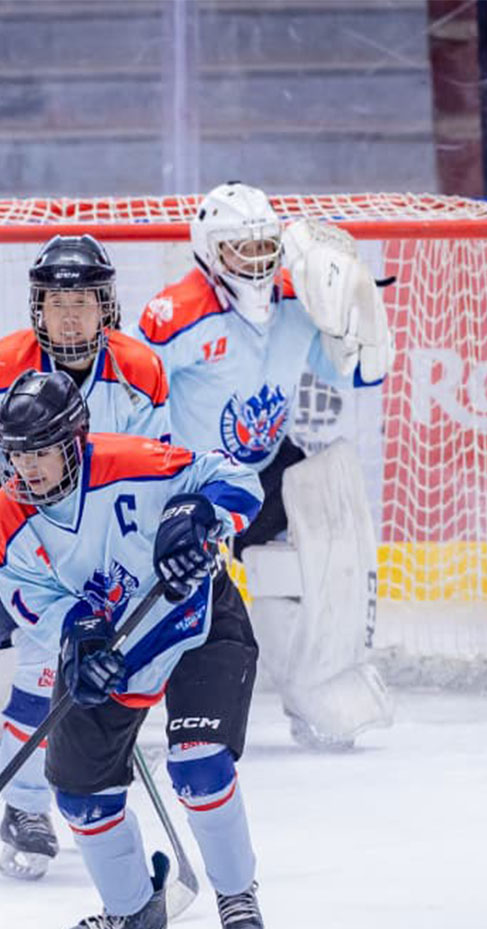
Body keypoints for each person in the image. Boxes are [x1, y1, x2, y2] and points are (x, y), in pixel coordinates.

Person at [0, 234, 171, 881]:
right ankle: (24, 807)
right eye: (57, 301)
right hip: (17, 535)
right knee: (43, 660)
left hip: (104, 540)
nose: (71, 315)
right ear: (37, 307)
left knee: (108, 664)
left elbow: (157, 471)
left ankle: (88, 779)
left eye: (83, 300)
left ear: (106, 304)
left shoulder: (142, 370)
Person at [0, 369, 267, 929]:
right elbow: (29, 597)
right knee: (80, 791)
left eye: (40, 453)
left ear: (75, 442)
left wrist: (199, 515)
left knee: (199, 765)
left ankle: (236, 890)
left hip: (197, 622)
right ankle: (134, 908)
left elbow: (238, 480)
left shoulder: (136, 462)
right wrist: (74, 635)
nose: (27, 469)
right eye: (16, 456)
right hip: (113, 652)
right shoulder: (8, 516)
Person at [137, 181, 396, 749]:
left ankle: (313, 689)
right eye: (240, 249)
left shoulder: (296, 303)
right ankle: (111, 706)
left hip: (263, 467)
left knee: (321, 519)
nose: (255, 262)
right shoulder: (174, 316)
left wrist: (359, 315)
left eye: (264, 247)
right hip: (192, 482)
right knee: (162, 598)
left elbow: (358, 376)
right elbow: (130, 400)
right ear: (209, 251)